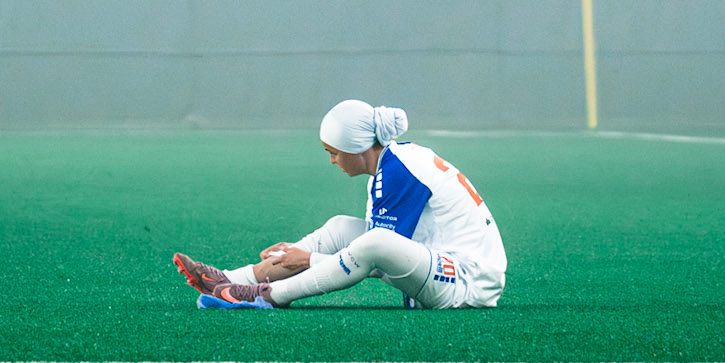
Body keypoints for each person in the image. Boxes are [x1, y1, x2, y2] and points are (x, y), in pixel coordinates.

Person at [174, 100, 506, 311]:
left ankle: (266, 295)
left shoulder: (398, 171)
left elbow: (377, 258)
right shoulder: (393, 163)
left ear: (358, 147)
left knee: (373, 242)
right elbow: (372, 256)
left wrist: (309, 260)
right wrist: (301, 255)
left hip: (468, 282)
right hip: (444, 260)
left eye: (333, 152)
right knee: (340, 228)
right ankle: (230, 280)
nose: (332, 161)